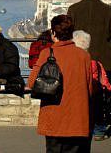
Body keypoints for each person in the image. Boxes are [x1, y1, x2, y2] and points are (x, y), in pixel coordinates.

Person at [28, 15, 92, 153]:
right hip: (77, 115)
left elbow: (32, 82)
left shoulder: (47, 53)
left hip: (54, 113)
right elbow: (89, 88)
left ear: (53, 32)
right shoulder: (84, 56)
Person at [67, 0, 111, 74]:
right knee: (102, 87)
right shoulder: (108, 10)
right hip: (102, 61)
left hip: (79, 59)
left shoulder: (73, 9)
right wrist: (103, 43)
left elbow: (67, 34)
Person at [72, 30, 111, 141]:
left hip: (78, 93)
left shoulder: (72, 62)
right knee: (97, 111)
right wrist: (108, 88)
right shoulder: (94, 62)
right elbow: (103, 79)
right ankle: (99, 132)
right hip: (94, 92)